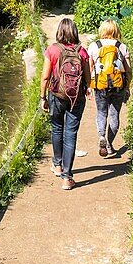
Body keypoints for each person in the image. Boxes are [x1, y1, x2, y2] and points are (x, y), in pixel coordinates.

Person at [39, 18, 91, 190]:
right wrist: (88, 88)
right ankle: (67, 178)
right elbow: (88, 77)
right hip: (77, 98)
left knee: (57, 128)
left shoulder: (53, 50)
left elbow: (45, 77)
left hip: (56, 95)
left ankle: (57, 165)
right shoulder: (82, 51)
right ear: (75, 32)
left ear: (60, 31)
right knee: (71, 133)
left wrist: (43, 97)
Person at [87, 18, 132, 158]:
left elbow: (89, 68)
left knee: (101, 112)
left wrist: (88, 85)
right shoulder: (121, 46)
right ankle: (109, 145)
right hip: (118, 86)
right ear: (116, 30)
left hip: (100, 86)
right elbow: (129, 70)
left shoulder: (94, 46)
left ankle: (101, 136)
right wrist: (127, 87)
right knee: (114, 115)